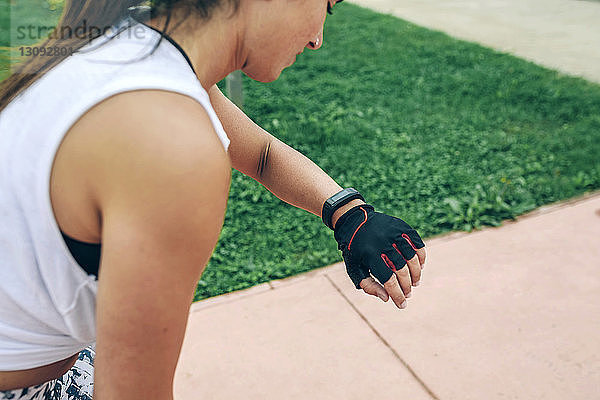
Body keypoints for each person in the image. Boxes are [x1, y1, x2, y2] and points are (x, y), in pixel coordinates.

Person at [0, 0, 427, 398]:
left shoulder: (132, 43)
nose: (317, 38)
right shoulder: (168, 143)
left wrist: (347, 214)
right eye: (327, 7)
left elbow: (261, 155)